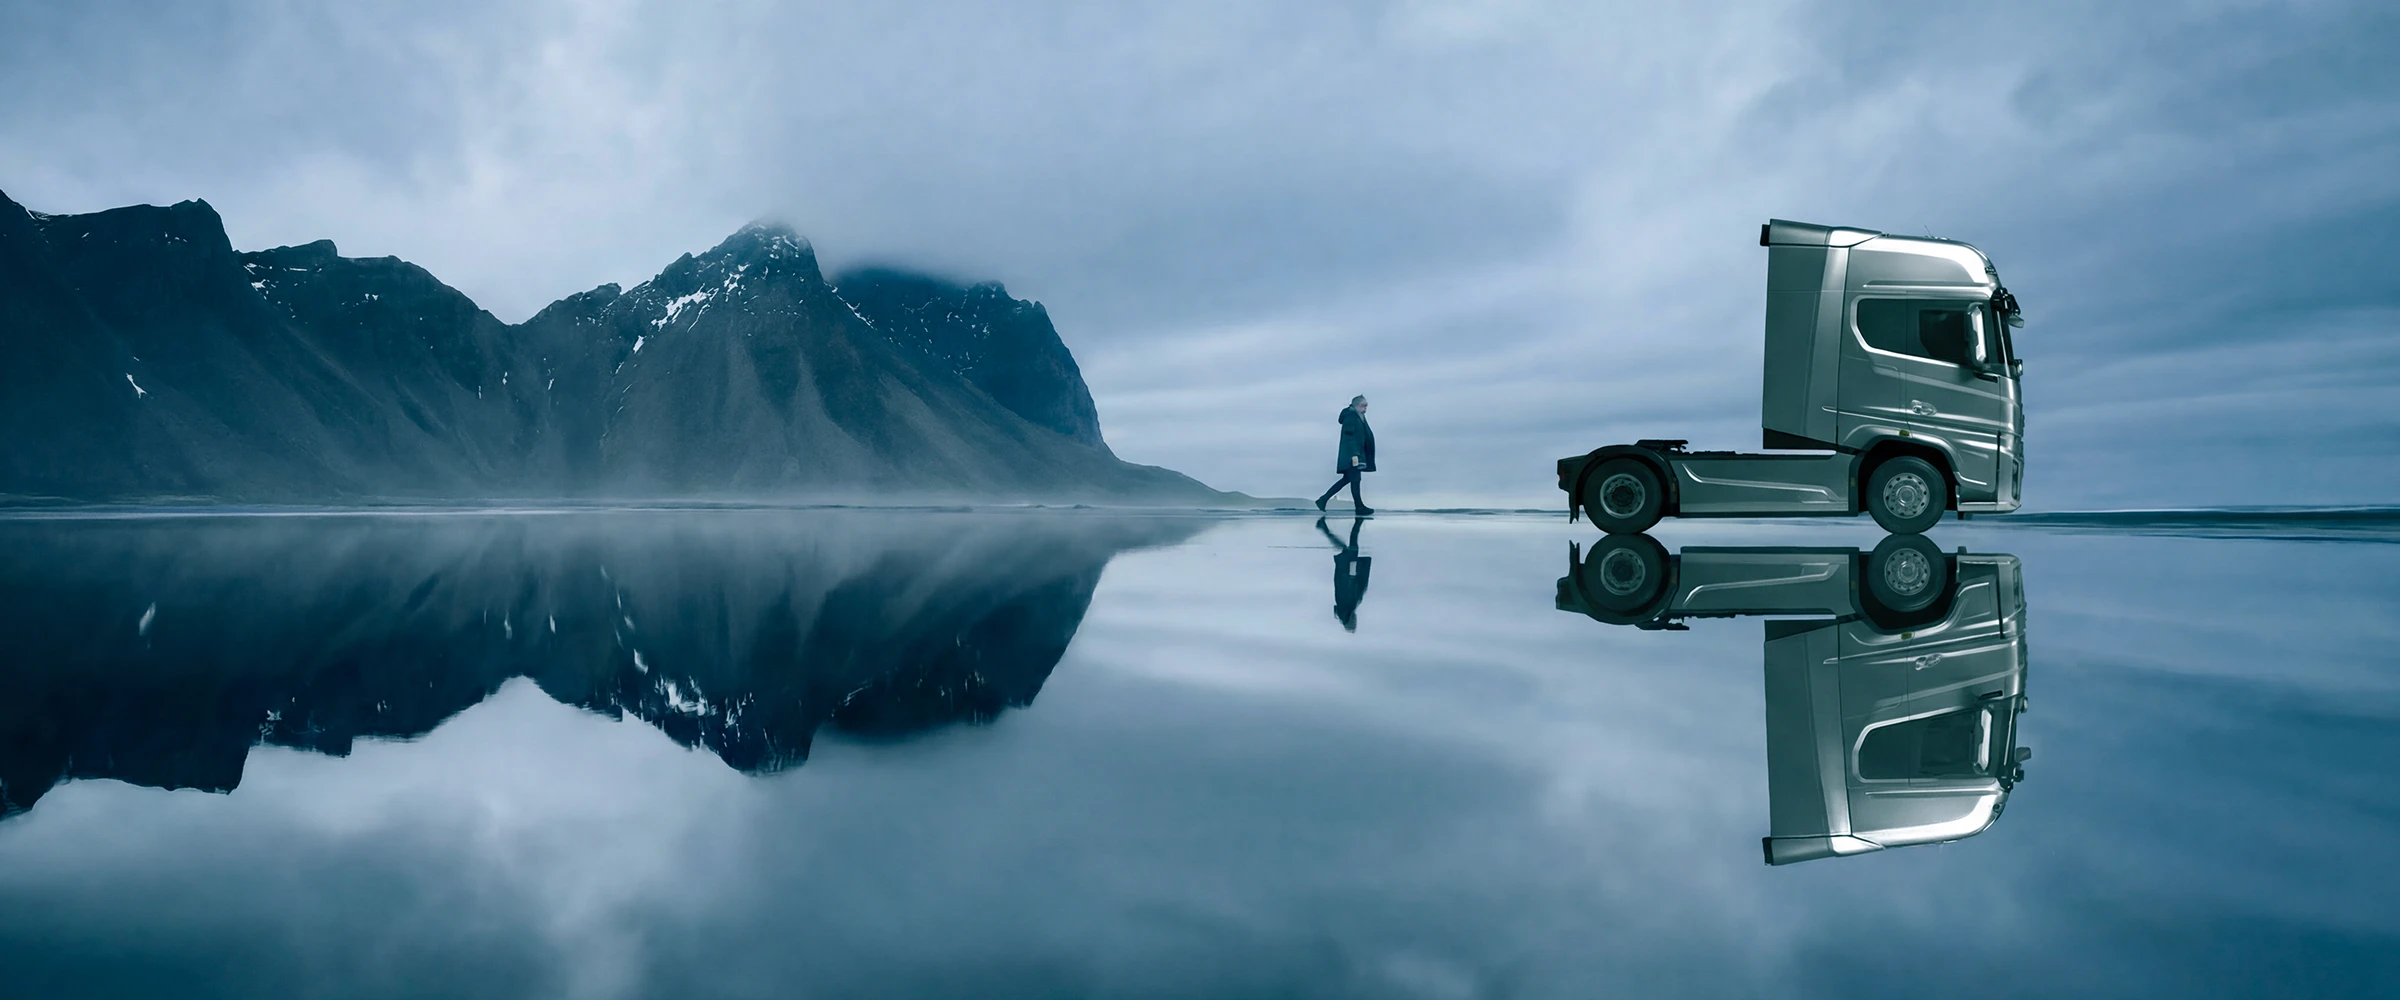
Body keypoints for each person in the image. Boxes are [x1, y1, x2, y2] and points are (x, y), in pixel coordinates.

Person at [1315, 395, 1375, 515]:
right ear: (1355, 406)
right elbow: (1349, 438)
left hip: (1356, 454)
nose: (1365, 409)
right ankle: (1359, 507)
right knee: (1355, 479)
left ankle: (1323, 500)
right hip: (1352, 455)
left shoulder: (1359, 417)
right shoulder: (1351, 418)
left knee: (1349, 479)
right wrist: (1354, 455)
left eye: (1366, 406)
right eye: (1363, 406)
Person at [1316, 515, 1372, 632]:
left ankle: (1357, 522)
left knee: (1352, 547)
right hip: (1346, 573)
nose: (1356, 620)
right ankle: (1325, 529)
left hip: (1350, 572)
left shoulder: (1348, 607)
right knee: (1347, 548)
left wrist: (1353, 571)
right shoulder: (1346, 609)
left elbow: (1350, 587)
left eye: (1354, 622)